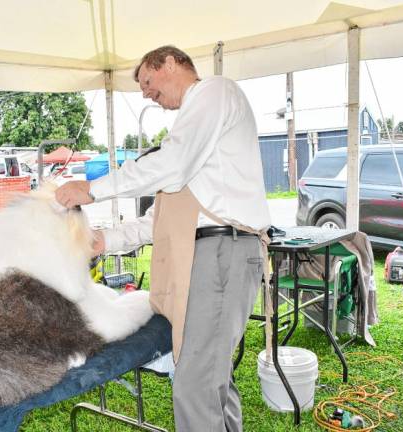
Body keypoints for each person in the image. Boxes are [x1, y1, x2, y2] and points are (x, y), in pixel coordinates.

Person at [55, 45, 271, 431]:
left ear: (171, 62)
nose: (146, 94)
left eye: (148, 81)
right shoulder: (198, 147)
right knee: (210, 378)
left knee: (194, 385)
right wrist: (104, 239)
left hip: (223, 252)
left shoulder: (214, 93)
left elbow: (170, 164)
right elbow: (157, 221)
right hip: (208, 258)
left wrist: (92, 189)